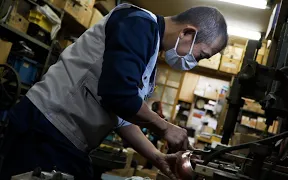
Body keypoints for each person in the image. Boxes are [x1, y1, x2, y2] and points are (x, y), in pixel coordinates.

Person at [0, 3, 228, 180]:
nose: (195, 62)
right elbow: (119, 95)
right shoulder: (139, 24)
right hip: (44, 128)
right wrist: (164, 127)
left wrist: (157, 157)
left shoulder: (149, 54)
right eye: (201, 55)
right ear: (188, 32)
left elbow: (121, 116)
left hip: (64, 138)